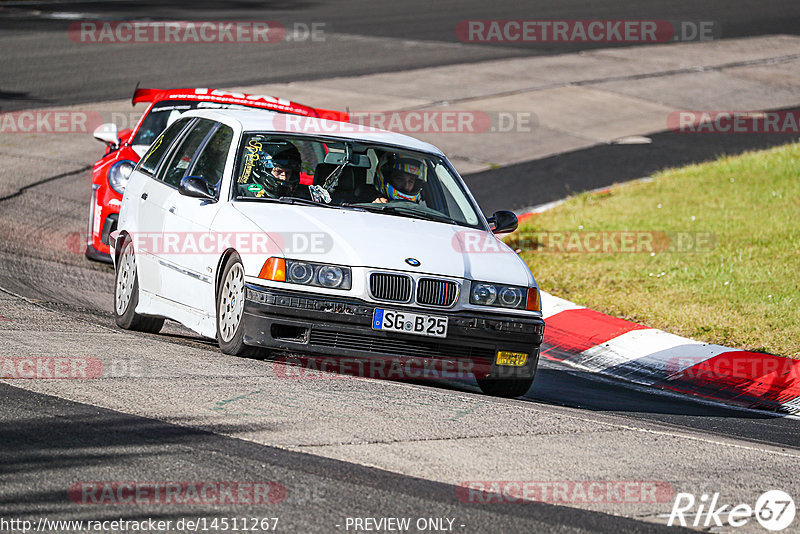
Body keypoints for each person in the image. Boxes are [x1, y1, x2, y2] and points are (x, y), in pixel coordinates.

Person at [237, 139, 309, 199]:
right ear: (264, 170)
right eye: (278, 171)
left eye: (288, 173)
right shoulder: (243, 194)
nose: (284, 177)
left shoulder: (305, 196)